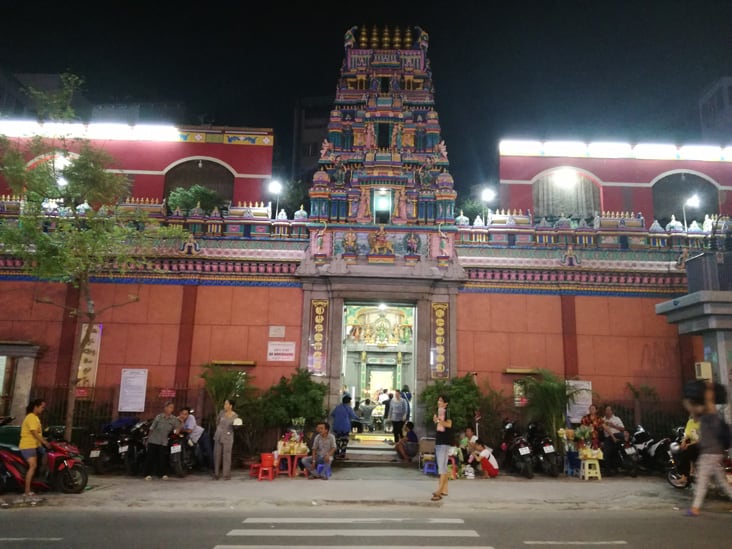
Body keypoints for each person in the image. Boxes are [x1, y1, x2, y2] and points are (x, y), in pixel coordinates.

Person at [686, 382, 732, 516]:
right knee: (722, 482)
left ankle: (695, 508)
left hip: (709, 454)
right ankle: (695, 507)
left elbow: (707, 403)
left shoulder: (711, 416)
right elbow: (694, 410)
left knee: (702, 480)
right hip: (714, 453)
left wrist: (709, 389)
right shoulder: (706, 417)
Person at [19, 398, 50, 500]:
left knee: (39, 464)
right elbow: (34, 432)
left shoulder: (35, 418)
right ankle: (27, 491)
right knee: (33, 466)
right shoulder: (31, 417)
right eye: (42, 407)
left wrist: (44, 441)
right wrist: (44, 442)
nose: (43, 409)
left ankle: (37, 485)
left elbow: (39, 432)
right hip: (28, 446)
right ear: (36, 407)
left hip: (34, 446)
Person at [144, 401, 181, 481]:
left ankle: (162, 473)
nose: (171, 409)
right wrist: (148, 438)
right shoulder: (159, 417)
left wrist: (176, 431)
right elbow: (152, 428)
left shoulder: (174, 419)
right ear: (165, 408)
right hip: (153, 439)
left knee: (162, 458)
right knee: (150, 457)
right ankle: (147, 474)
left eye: (172, 408)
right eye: (170, 407)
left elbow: (177, 428)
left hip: (163, 441)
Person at [431, 394, 453, 501]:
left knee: (442, 466)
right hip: (439, 441)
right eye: (438, 400)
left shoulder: (447, 412)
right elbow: (437, 422)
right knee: (442, 465)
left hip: (444, 441)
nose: (438, 402)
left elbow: (449, 424)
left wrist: (439, 421)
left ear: (446, 403)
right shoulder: (439, 411)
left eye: (441, 400)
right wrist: (436, 420)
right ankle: (444, 489)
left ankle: (439, 491)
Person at [179, 406, 213, 471]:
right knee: (198, 453)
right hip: (194, 439)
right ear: (180, 413)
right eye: (182, 414)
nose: (183, 415)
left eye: (185, 414)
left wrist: (181, 428)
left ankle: (213, 468)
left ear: (188, 414)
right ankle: (203, 467)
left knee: (208, 451)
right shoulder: (178, 419)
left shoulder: (191, 418)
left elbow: (189, 430)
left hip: (202, 435)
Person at [213, 398, 239, 480]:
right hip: (219, 435)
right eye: (224, 404)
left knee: (227, 455)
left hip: (228, 436)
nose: (225, 405)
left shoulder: (235, 416)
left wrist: (236, 425)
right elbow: (217, 421)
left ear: (231, 406)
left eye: (226, 404)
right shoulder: (221, 413)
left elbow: (236, 426)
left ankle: (226, 474)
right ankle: (216, 473)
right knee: (217, 454)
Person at [600, 404, 628, 472]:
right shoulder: (602, 420)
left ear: (612, 411)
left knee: (623, 445)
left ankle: (628, 466)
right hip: (608, 438)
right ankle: (608, 470)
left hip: (618, 435)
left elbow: (622, 428)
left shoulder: (617, 419)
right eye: (606, 410)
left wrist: (613, 426)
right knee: (606, 452)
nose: (608, 411)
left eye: (609, 410)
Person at [331, 395, 359, 459]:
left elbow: (332, 414)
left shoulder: (337, 407)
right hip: (345, 427)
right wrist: (359, 418)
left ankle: (337, 453)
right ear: (348, 402)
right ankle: (342, 454)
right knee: (345, 440)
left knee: (337, 441)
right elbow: (354, 416)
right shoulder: (348, 408)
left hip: (336, 427)